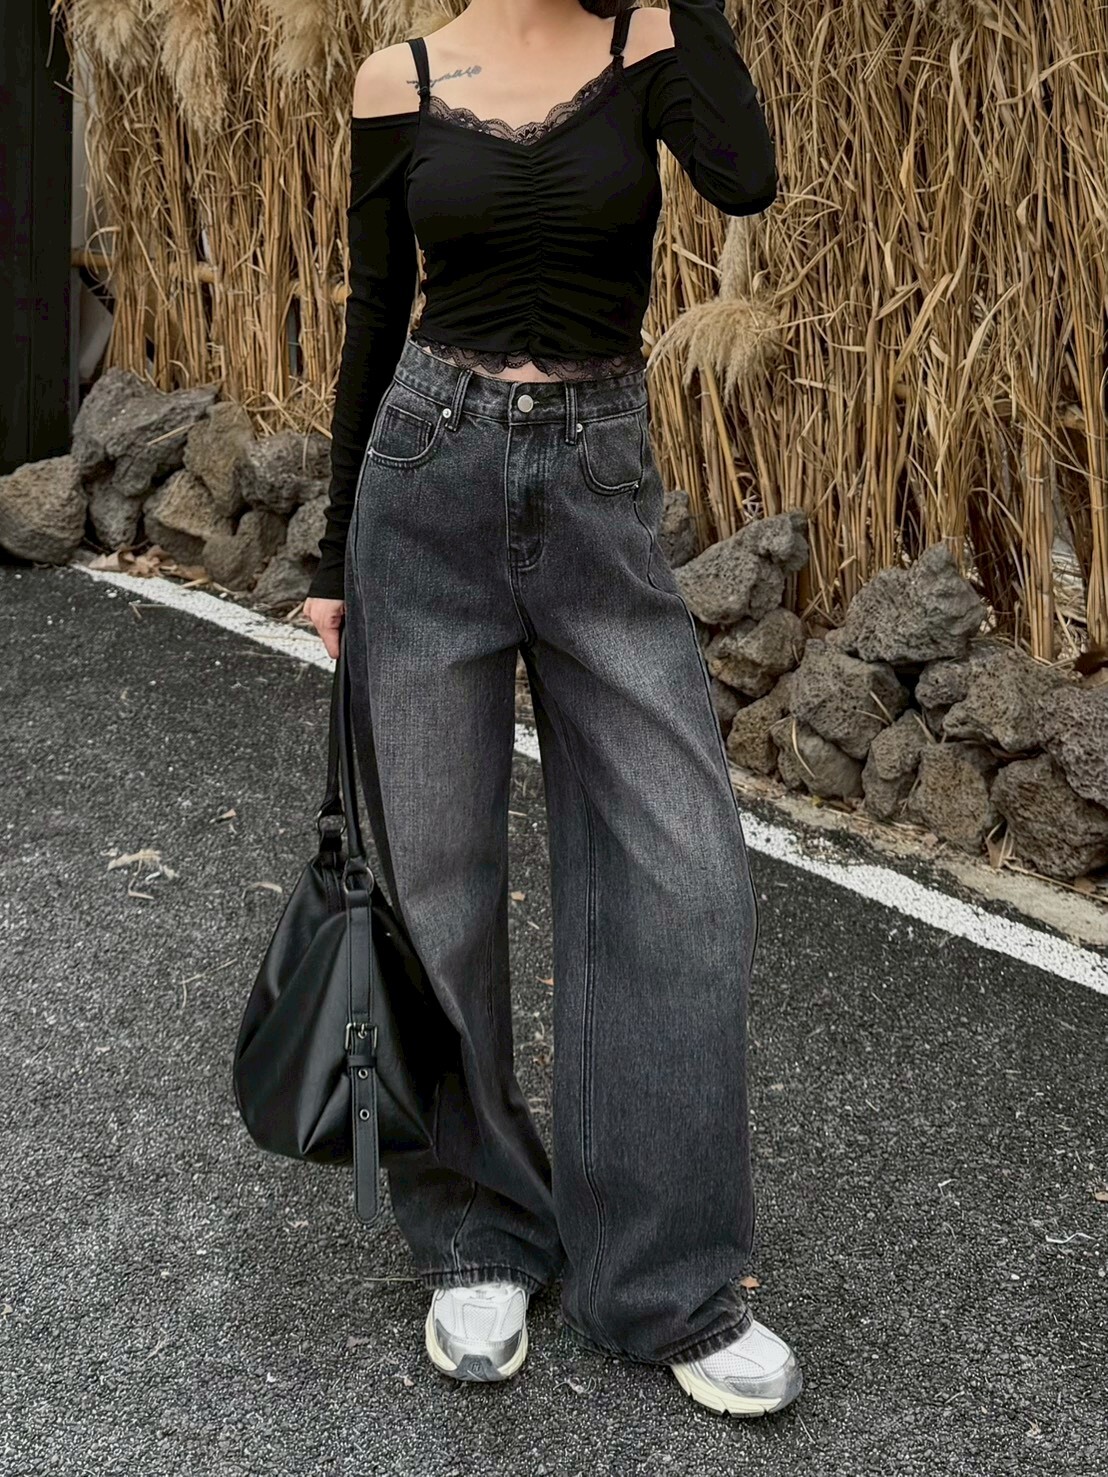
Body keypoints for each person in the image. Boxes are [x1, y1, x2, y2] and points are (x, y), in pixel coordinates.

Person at [302, 0, 802, 1418]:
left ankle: (667, 1279)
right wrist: (335, 558)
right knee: (437, 889)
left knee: (684, 872)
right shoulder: (397, 76)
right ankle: (478, 1231)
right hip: (427, 477)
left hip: (594, 482)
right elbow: (374, 311)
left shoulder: (647, 48)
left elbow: (748, 179)